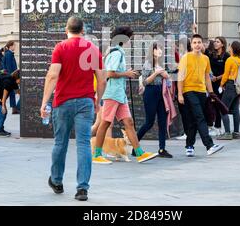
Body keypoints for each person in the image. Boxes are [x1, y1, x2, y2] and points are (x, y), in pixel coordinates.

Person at [40, 16, 106, 202]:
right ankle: (82, 188)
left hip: (63, 102)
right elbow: (101, 79)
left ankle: (57, 180)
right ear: (83, 30)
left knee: (60, 143)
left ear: (66, 30)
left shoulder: (61, 47)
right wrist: (98, 100)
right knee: (84, 143)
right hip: (85, 101)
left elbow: (53, 76)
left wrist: (44, 101)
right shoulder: (92, 49)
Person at [92, 26, 158, 164]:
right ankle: (97, 154)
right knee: (105, 123)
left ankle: (140, 153)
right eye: (129, 38)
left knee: (129, 122)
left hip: (119, 95)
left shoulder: (117, 52)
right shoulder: (116, 53)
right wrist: (126, 74)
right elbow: (109, 73)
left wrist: (124, 72)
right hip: (112, 93)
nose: (130, 41)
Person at [177, 34, 224, 157]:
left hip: (202, 92)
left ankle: (189, 146)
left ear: (202, 44)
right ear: (191, 45)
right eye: (195, 43)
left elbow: (207, 77)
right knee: (200, 117)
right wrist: (180, 94)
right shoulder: (185, 58)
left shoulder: (205, 59)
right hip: (188, 91)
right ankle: (209, 145)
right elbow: (180, 77)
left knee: (193, 120)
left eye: (199, 42)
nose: (197, 45)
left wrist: (212, 94)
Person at [136, 42, 173, 158]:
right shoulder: (148, 63)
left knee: (162, 121)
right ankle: (134, 145)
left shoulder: (162, 63)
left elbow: (168, 78)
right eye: (157, 49)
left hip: (161, 93)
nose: (160, 51)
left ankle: (162, 149)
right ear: (152, 51)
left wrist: (165, 75)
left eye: (161, 49)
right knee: (149, 122)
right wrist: (157, 73)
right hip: (150, 92)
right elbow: (145, 81)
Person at [217, 41, 240, 140]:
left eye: (230, 46)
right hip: (238, 87)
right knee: (235, 109)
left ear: (232, 48)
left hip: (230, 85)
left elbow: (225, 75)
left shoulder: (230, 60)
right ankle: (236, 132)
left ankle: (227, 133)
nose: (229, 48)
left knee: (223, 108)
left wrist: (221, 84)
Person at [207, 36, 230, 135]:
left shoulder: (226, 56)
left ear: (222, 44)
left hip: (221, 84)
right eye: (215, 42)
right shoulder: (212, 55)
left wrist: (217, 78)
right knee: (211, 104)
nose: (215, 43)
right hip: (211, 83)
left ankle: (218, 126)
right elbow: (208, 67)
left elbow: (227, 72)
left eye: (217, 42)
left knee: (219, 104)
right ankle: (213, 126)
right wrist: (211, 76)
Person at [0, 69, 20, 137]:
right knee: (2, 112)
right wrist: (3, 105)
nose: (21, 82)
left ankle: (1, 128)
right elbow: (4, 94)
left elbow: (17, 92)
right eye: (21, 80)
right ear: (18, 78)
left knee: (3, 113)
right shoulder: (9, 81)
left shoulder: (13, 81)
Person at [2, 40, 19, 114]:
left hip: (12, 75)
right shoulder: (8, 54)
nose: (15, 47)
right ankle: (12, 108)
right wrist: (12, 76)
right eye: (14, 45)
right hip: (11, 76)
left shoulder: (9, 53)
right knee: (10, 92)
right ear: (10, 46)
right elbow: (9, 67)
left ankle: (14, 108)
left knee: (11, 92)